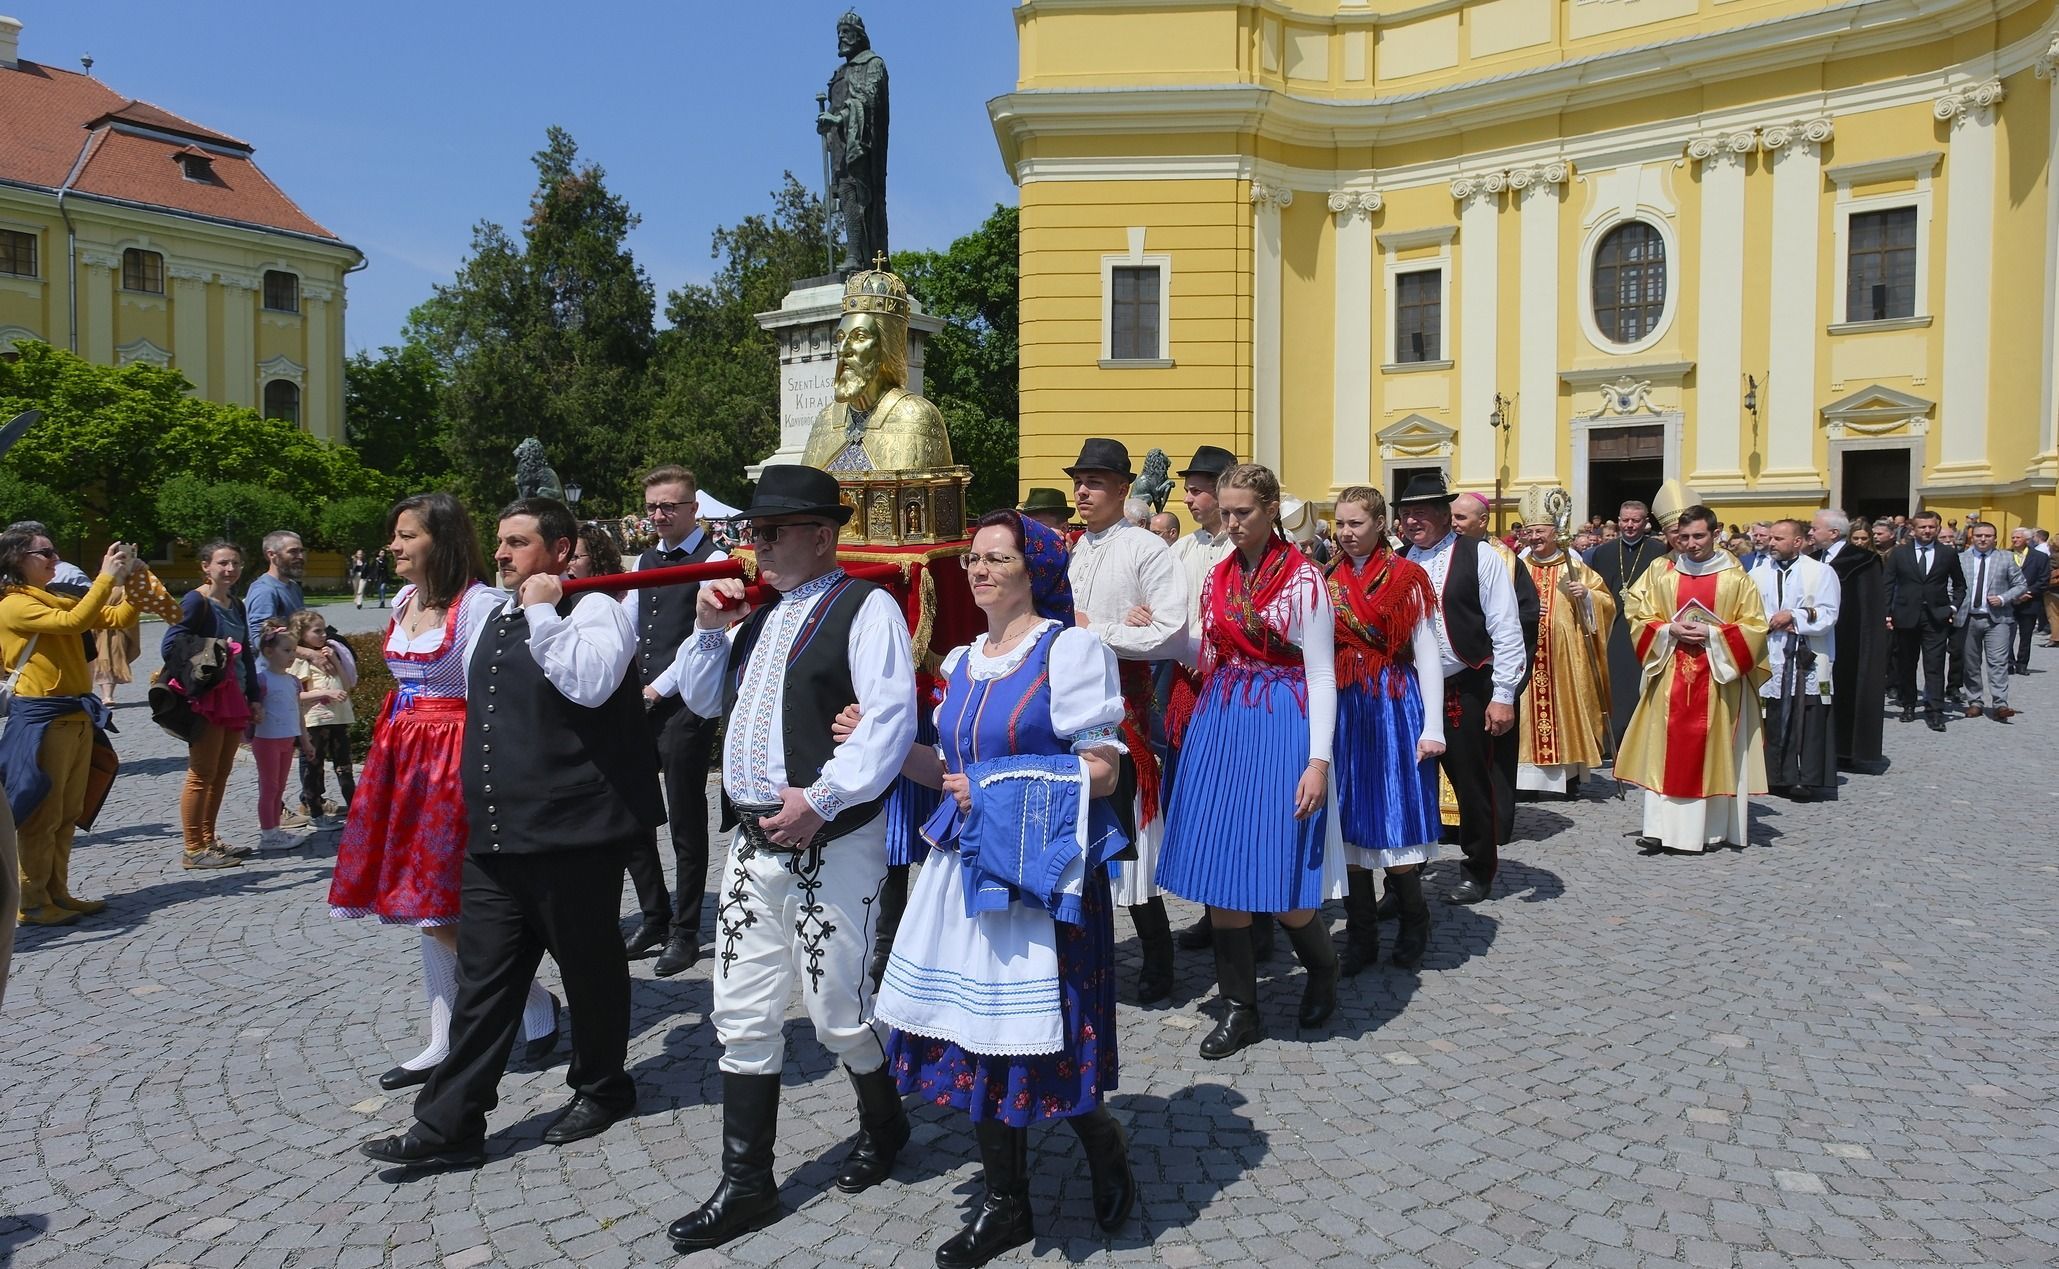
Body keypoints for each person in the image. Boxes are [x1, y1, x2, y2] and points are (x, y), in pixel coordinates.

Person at [360, 497, 662, 1172]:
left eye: (518, 542)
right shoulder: (493, 613)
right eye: (499, 541)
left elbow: (588, 685)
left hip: (572, 830)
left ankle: (603, 1086)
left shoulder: (596, 609)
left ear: (560, 549)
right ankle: (450, 1123)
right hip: (496, 830)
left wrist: (545, 610)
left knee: (589, 968)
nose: (500, 553)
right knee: (484, 978)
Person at [867, 509, 1135, 1266]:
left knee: (1052, 1034)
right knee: (978, 1032)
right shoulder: (961, 660)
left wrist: (991, 787)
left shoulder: (1070, 651)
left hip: (1043, 875)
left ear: (1034, 570)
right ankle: (1006, 1203)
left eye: (997, 559)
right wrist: (885, 743)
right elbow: (945, 774)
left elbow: (1103, 770)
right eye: (974, 560)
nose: (979, 571)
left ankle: (1102, 1142)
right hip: (968, 866)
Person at [667, 465, 918, 1253]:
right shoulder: (758, 615)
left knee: (838, 1011)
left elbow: (888, 721)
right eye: (753, 531)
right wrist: (709, 631)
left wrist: (822, 799)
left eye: (771, 532)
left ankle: (885, 1119)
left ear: (820, 533)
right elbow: (702, 700)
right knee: (741, 1011)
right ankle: (747, 1182)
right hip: (752, 841)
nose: (758, 545)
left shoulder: (866, 607)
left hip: (833, 839)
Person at [329, 494, 559, 1092]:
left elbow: (500, 689)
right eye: (395, 535)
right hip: (403, 760)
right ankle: (452, 1032)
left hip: (456, 760)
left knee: (443, 903)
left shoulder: (479, 605)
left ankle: (525, 1004)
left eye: (407, 535)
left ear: (444, 540)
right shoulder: (405, 599)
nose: (394, 546)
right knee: (424, 902)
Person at [1155, 462, 1341, 1058]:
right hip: (1222, 719)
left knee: (1282, 875)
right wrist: (1154, 632)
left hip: (1282, 719)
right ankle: (1242, 1009)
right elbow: (1208, 652)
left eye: (1244, 512)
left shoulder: (1304, 579)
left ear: (1271, 510)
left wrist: (1318, 762)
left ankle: (1324, 968)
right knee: (1222, 869)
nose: (1232, 523)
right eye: (1227, 512)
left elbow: (1322, 674)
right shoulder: (1218, 576)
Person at [1062, 438, 1189, 1004]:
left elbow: (1170, 632)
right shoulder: (1073, 549)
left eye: (1093, 482)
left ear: (1122, 488)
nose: (1082, 491)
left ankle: (1158, 956)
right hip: (1069, 709)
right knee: (1079, 832)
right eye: (1078, 481)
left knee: (1132, 833)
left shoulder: (1145, 548)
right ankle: (1084, 950)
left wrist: (1097, 631)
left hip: (1124, 712)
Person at [1327, 487, 1443, 976]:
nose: (1346, 533)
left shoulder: (1407, 578)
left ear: (1380, 524)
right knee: (1348, 821)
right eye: (1340, 523)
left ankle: (1415, 918)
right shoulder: (1327, 577)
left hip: (1392, 703)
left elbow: (1428, 653)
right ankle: (1362, 935)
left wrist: (1433, 726)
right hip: (1343, 707)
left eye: (1356, 523)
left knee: (1395, 818)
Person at [1163, 444, 1272, 961]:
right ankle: (1216, 910)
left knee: (1248, 806)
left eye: (1197, 490)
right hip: (1191, 682)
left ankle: (1260, 919)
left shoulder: (1247, 552)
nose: (1189, 499)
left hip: (1241, 686)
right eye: (1188, 490)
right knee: (1203, 804)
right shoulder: (1182, 551)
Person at [1397, 474, 1525, 905]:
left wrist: (1503, 694)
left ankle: (1478, 867)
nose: (1411, 521)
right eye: (1406, 513)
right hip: (1409, 688)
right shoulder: (1398, 560)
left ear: (1443, 514)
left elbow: (1506, 628)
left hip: (1464, 684)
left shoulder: (1479, 555)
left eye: (1420, 513)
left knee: (1470, 781)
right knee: (1408, 782)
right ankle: (1405, 874)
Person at [621, 466, 727, 978]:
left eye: (669, 506)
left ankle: (685, 931)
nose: (659, 515)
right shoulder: (645, 559)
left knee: (685, 819)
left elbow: (705, 639)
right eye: (652, 507)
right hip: (641, 704)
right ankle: (654, 915)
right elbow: (630, 626)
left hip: (687, 704)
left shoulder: (716, 560)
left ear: (693, 509)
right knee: (633, 814)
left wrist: (656, 688)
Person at [0, 533, 137, 925]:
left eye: (53, 551)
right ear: (17, 558)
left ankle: (56, 892)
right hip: (43, 718)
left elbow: (118, 618)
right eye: (44, 552)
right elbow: (74, 622)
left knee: (66, 813)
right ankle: (32, 902)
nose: (54, 557)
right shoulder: (13, 604)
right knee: (41, 816)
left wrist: (128, 579)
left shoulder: (52, 597)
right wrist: (105, 577)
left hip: (74, 715)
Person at [1616, 506, 1769, 853]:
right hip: (1669, 673)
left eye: (1699, 536)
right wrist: (1668, 629)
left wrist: (1713, 634)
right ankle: (1658, 829)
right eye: (1683, 537)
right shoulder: (1664, 575)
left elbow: (1755, 626)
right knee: (1663, 749)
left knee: (1711, 752)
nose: (1691, 544)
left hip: (1717, 679)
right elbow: (1639, 615)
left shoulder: (1735, 578)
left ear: (1715, 534)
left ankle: (1707, 832)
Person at [165, 540, 261, 868]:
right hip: (207, 696)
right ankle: (193, 848)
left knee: (220, 772)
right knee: (201, 772)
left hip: (235, 696)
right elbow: (171, 645)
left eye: (235, 563)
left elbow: (247, 654)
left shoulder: (236, 604)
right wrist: (216, 648)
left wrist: (254, 696)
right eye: (222, 563)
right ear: (206, 566)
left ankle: (209, 839)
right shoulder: (196, 601)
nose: (230, 569)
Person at [1513, 489, 1614, 797]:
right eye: (1529, 532)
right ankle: (1525, 782)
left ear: (1555, 533)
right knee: (1526, 714)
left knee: (1565, 710)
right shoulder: (1518, 566)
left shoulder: (1574, 566)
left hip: (1564, 658)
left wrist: (1588, 596)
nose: (1534, 537)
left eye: (1540, 531)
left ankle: (1567, 777)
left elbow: (1606, 603)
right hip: (1527, 654)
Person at [1749, 520, 1841, 801]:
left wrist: (1795, 616)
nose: (1771, 543)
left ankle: (1805, 778)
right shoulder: (1757, 574)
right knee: (1772, 712)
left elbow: (1829, 612)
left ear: (1798, 542)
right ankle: (1775, 776)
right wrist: (1771, 620)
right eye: (1771, 538)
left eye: (1779, 538)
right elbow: (1748, 611)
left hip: (1806, 655)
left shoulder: (1821, 572)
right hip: (1771, 652)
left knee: (1808, 712)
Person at [1589, 500, 1670, 752]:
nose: (1630, 525)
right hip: (1613, 629)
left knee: (1639, 686)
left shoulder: (1659, 552)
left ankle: (1639, 744)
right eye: (1625, 520)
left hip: (1645, 629)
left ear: (1646, 523)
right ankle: (1612, 743)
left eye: (1636, 520)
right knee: (1614, 686)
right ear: (1618, 521)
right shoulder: (1603, 553)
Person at [1812, 512, 1889, 774]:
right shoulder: (1813, 558)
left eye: (1815, 528)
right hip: (1817, 635)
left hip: (1850, 635)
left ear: (1834, 533)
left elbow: (1870, 604)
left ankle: (1848, 750)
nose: (1811, 533)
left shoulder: (1863, 560)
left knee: (1848, 689)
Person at [1884, 510, 1962, 732]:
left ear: (1937, 528)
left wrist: (1953, 607)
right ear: (1913, 529)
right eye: (1922, 527)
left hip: (1936, 617)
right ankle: (1908, 704)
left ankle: (1934, 710)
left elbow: (1960, 585)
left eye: (1931, 527)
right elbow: (1887, 584)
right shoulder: (1899, 553)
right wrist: (1886, 613)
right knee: (1906, 664)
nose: (1927, 531)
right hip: (1905, 616)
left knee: (1934, 665)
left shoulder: (1947, 553)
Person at [287, 610, 357, 822]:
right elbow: (296, 694)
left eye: (324, 630)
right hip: (316, 721)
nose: (323, 635)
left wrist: (335, 660)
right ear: (302, 634)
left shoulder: (327, 657)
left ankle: (355, 810)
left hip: (339, 719)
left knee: (344, 766)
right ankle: (315, 811)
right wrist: (325, 693)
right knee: (314, 767)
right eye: (317, 631)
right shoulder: (302, 661)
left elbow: (347, 684)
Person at [251, 628, 317, 850]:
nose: (292, 656)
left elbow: (298, 713)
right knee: (269, 787)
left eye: (294, 651)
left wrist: (305, 740)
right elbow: (253, 709)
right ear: (269, 652)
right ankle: (268, 834)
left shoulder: (293, 681)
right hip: (266, 739)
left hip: (287, 740)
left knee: (279, 787)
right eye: (286, 650)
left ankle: (275, 829)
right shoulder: (261, 680)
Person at [1954, 521, 2025, 722]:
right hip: (1968, 617)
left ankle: (2000, 704)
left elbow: (2021, 585)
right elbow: (1952, 585)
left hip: (1998, 619)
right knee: (1971, 663)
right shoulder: (1961, 559)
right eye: (1979, 535)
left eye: (1988, 536)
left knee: (1998, 662)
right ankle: (1975, 701)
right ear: (1972, 537)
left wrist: (2003, 598)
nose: (1983, 539)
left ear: (1995, 538)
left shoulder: (2006, 558)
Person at [243, 530, 307, 646]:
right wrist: (308, 653)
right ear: (271, 555)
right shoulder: (265, 590)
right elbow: (260, 639)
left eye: (301, 551)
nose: (300, 557)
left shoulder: (294, 587)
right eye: (293, 552)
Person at [2009, 527, 2048, 674]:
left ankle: (2022, 664)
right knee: (2006, 635)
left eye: (2018, 537)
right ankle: (2008, 663)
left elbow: (2043, 579)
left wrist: (2028, 593)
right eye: (2013, 537)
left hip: (2030, 601)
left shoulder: (2040, 557)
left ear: (2027, 539)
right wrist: (2011, 595)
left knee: (2026, 636)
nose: (2015, 540)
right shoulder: (2005, 554)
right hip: (2008, 601)